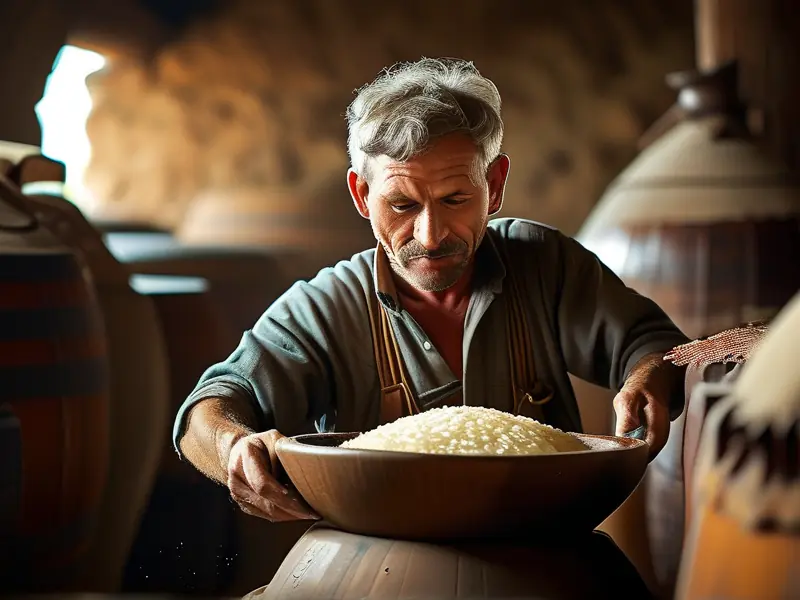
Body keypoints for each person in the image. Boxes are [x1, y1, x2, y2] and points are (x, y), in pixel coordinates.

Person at [173, 57, 690, 522]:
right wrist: (233, 446)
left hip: (544, 555)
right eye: (401, 205)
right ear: (361, 194)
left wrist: (649, 377)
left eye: (456, 198)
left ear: (496, 185)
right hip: (376, 569)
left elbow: (656, 344)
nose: (431, 234)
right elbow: (208, 408)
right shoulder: (327, 307)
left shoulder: (543, 265)